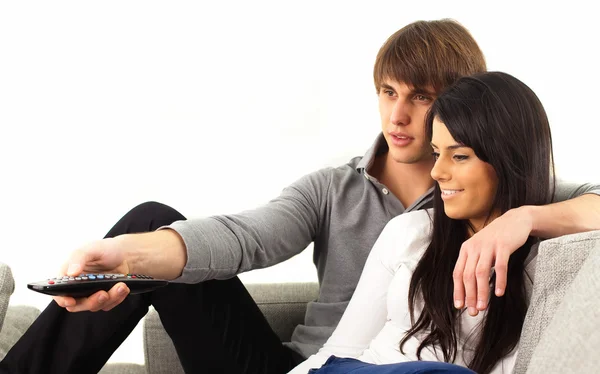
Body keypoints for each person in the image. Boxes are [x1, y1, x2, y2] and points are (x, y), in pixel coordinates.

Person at [1, 20, 599, 374]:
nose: (397, 114)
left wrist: (522, 218)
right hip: (300, 366)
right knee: (152, 221)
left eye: (420, 96)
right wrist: (126, 257)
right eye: (387, 92)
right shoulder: (336, 187)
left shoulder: (500, 189)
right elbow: (247, 236)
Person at [291, 71, 560, 374]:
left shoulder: (549, 263)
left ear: (509, 160)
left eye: (458, 156)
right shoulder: (411, 231)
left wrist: (524, 218)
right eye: (436, 153)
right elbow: (341, 351)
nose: (437, 172)